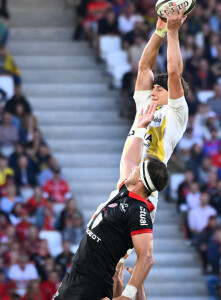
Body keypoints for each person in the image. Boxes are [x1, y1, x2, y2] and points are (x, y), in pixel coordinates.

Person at [53, 100, 168, 300]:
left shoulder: (139, 210)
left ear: (140, 179)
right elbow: (128, 159)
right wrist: (140, 127)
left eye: (137, 168)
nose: (133, 168)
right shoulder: (125, 190)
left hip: (93, 283)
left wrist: (128, 295)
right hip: (76, 276)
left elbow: (147, 257)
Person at [118, 1, 189, 220]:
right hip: (124, 181)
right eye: (154, 88)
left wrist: (173, 32)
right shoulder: (146, 104)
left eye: (160, 89)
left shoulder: (176, 114)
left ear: (173, 94)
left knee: (136, 249)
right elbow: (144, 67)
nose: (154, 92)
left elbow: (174, 73)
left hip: (146, 189)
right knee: (110, 252)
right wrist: (159, 30)